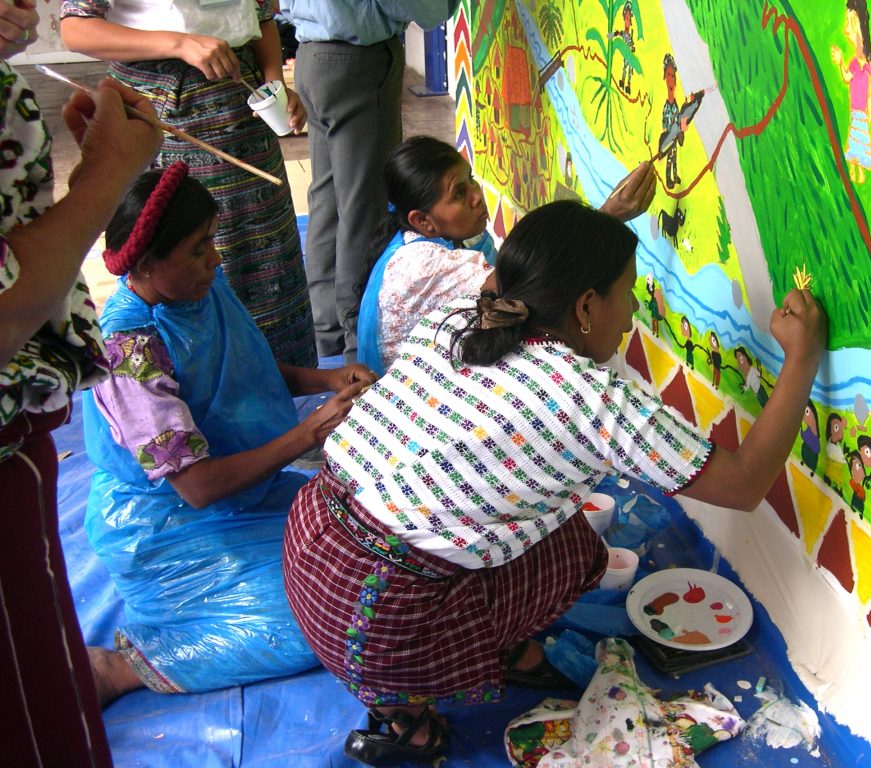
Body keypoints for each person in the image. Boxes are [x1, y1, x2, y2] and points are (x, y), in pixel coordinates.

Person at [282, 200, 825, 765]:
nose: (632, 313)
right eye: (629, 293)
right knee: (575, 552)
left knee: (550, 522)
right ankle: (407, 711)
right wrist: (801, 357)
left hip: (309, 551)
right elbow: (744, 485)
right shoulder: (592, 400)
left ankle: (474, 660)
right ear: (586, 305)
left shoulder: (459, 315)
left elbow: (513, 276)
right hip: (384, 629)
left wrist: (602, 222)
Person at [82, 163, 375, 704]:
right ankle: (122, 669)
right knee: (326, 616)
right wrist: (309, 432)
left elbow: (246, 370)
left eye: (211, 241)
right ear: (146, 264)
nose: (215, 259)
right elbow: (197, 487)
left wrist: (327, 379)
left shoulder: (196, 290)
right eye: (198, 249)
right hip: (167, 523)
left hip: (249, 492)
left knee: (376, 548)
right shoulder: (130, 354)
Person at [0, 8, 164, 761]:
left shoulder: (198, 307)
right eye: (201, 251)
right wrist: (104, 177)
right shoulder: (135, 342)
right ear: (148, 261)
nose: (26, 11)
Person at [60, 0, 317, 367]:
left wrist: (272, 84)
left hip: (243, 111)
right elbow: (75, 28)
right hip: (163, 117)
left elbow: (260, 17)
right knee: (188, 253)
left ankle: (282, 381)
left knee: (267, 259)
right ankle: (200, 385)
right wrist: (178, 43)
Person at [356, 135, 657, 375]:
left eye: (471, 179)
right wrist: (607, 217)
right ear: (422, 221)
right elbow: (530, 282)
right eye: (459, 194)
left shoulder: (439, 238)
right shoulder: (423, 265)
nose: (476, 196)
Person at [277, 1, 459, 362]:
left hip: (314, 53)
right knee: (364, 209)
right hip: (355, 59)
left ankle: (328, 331)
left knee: (328, 200)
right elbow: (426, 9)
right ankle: (356, 345)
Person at [830, 0, 871, 184]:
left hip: (861, 113)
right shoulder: (855, 63)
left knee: (859, 139)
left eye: (848, 22)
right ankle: (854, 170)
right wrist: (841, 62)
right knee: (855, 139)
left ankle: (859, 171)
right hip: (856, 111)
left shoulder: (864, 64)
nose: (845, 29)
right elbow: (847, 77)